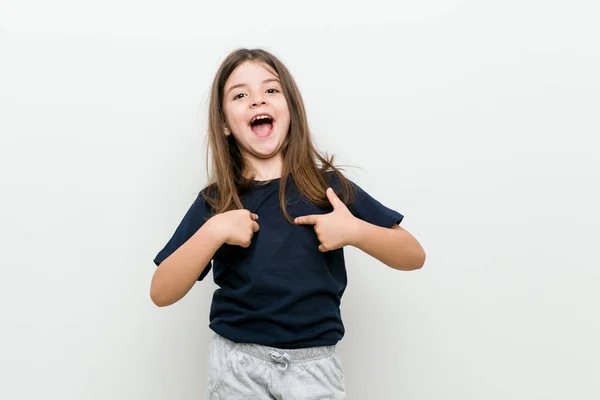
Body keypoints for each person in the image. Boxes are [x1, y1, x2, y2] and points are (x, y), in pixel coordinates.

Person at [150, 48, 426, 399]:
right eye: (240, 95)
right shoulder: (216, 202)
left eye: (270, 90)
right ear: (223, 123)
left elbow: (413, 255)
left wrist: (355, 231)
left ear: (291, 110)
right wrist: (214, 230)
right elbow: (161, 291)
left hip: (315, 369)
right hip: (237, 366)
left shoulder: (328, 188)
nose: (256, 101)